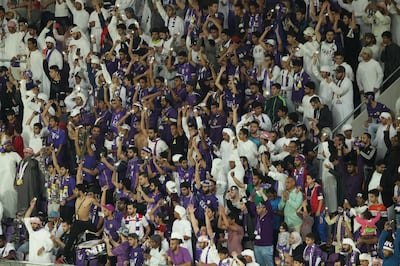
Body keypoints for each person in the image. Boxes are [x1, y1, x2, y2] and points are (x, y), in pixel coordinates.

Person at [24, 198, 54, 263]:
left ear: (39, 224)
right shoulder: (31, 231)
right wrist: (31, 207)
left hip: (43, 261)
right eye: (31, 224)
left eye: (34, 224)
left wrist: (43, 248)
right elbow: (26, 218)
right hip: (32, 261)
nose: (32, 225)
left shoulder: (45, 233)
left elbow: (51, 244)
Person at [15, 147, 44, 214]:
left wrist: (34, 156)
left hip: (31, 186)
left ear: (31, 154)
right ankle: (21, 213)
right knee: (22, 200)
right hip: (22, 185)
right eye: (24, 153)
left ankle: (32, 213)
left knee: (31, 198)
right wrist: (15, 182)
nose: (25, 154)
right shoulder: (21, 162)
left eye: (27, 153)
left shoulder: (34, 162)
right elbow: (17, 172)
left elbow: (33, 166)